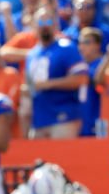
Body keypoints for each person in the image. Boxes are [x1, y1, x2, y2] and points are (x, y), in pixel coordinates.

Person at [25, 8, 88, 138]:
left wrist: (49, 84)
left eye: (48, 21)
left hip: (63, 117)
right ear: (34, 25)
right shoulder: (32, 54)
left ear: (55, 24)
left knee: (62, 158)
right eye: (41, 23)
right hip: (39, 120)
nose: (45, 26)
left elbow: (81, 79)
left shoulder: (67, 48)